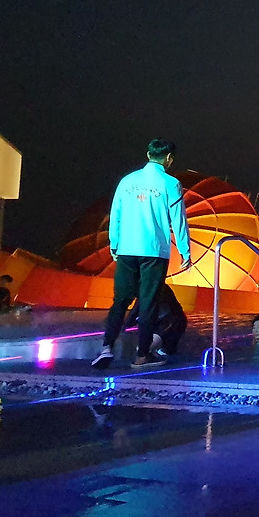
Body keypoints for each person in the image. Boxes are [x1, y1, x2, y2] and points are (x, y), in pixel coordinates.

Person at [91, 139, 192, 369]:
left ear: (148, 154)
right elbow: (179, 221)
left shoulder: (127, 181)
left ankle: (107, 347)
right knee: (148, 303)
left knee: (120, 300)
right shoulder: (171, 184)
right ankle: (142, 355)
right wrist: (185, 251)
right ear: (169, 159)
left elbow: (115, 213)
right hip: (154, 251)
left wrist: (114, 244)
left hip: (127, 249)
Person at [122, 283, 187, 358]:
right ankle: (166, 347)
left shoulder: (155, 290)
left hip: (170, 323)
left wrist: (125, 325)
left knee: (144, 349)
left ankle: (166, 348)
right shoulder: (150, 288)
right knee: (144, 347)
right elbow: (136, 312)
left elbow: (137, 311)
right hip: (164, 323)